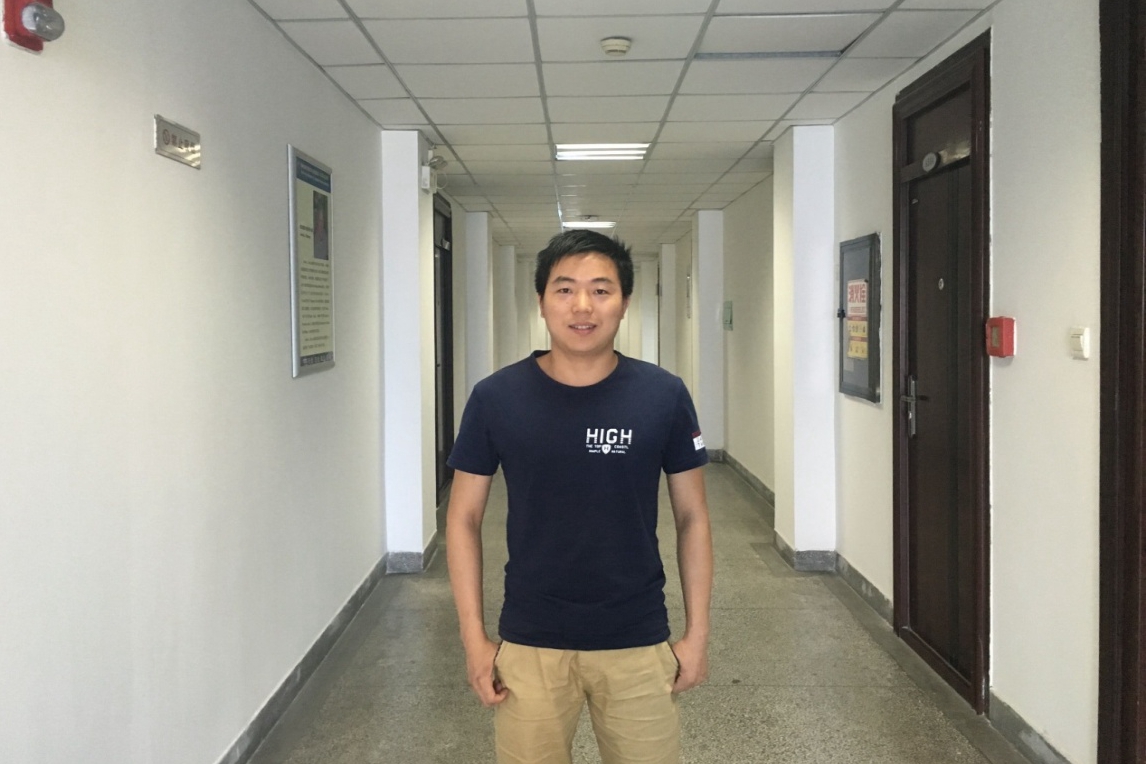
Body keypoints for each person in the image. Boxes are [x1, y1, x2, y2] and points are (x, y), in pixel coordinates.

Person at [446, 229, 714, 764]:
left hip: (638, 638)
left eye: (601, 290)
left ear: (624, 302)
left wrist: (697, 634)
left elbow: (693, 517)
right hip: (531, 640)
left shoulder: (662, 395)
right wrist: (474, 638)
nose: (583, 306)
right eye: (565, 289)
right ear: (542, 301)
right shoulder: (496, 397)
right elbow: (463, 519)